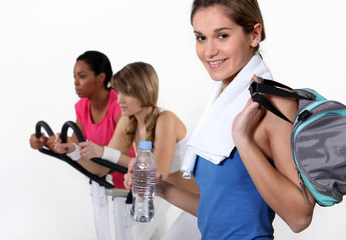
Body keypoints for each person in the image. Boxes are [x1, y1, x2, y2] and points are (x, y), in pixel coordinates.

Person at [124, 1, 316, 239]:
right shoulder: (221, 106)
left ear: (254, 34)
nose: (208, 51)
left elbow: (300, 217)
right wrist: (162, 189)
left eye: (222, 35)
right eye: (201, 38)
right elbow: (217, 211)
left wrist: (242, 139)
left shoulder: (274, 105)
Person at [80, 61, 201, 240]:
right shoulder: (128, 120)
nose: (119, 99)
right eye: (118, 92)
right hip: (164, 195)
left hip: (197, 202)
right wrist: (72, 152)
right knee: (135, 234)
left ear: (143, 92)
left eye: (126, 93)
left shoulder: (165, 119)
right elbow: (102, 167)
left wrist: (106, 153)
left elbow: (158, 174)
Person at [30, 50, 133, 240]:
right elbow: (74, 145)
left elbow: (111, 157)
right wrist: (47, 142)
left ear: (101, 77)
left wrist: (71, 147)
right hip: (104, 183)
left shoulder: (121, 105)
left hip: (131, 185)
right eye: (75, 77)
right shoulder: (83, 107)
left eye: (82, 76)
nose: (76, 82)